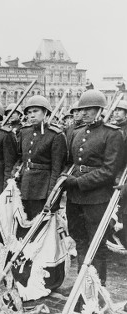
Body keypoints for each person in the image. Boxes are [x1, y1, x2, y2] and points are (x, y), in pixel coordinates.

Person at [63, 90, 124, 286]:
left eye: (90, 109)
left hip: (97, 197)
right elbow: (71, 163)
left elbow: (109, 171)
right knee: (80, 241)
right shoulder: (78, 132)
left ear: (100, 110)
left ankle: (97, 288)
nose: (86, 113)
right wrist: (68, 180)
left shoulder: (112, 133)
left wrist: (79, 182)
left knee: (96, 244)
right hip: (75, 197)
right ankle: (82, 283)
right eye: (83, 109)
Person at [17, 95, 67, 219]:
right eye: (29, 112)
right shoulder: (24, 132)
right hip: (24, 186)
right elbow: (19, 158)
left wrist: (52, 193)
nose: (32, 115)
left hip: (42, 189)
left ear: (45, 112)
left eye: (35, 111)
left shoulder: (56, 135)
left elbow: (57, 168)